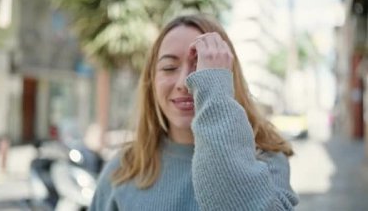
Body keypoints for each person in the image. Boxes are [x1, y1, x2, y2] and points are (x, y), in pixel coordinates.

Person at [89, 14, 299, 211]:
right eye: (169, 67)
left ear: (225, 77)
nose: (184, 83)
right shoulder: (123, 168)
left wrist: (213, 92)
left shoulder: (267, 160)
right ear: (151, 81)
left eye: (201, 66)